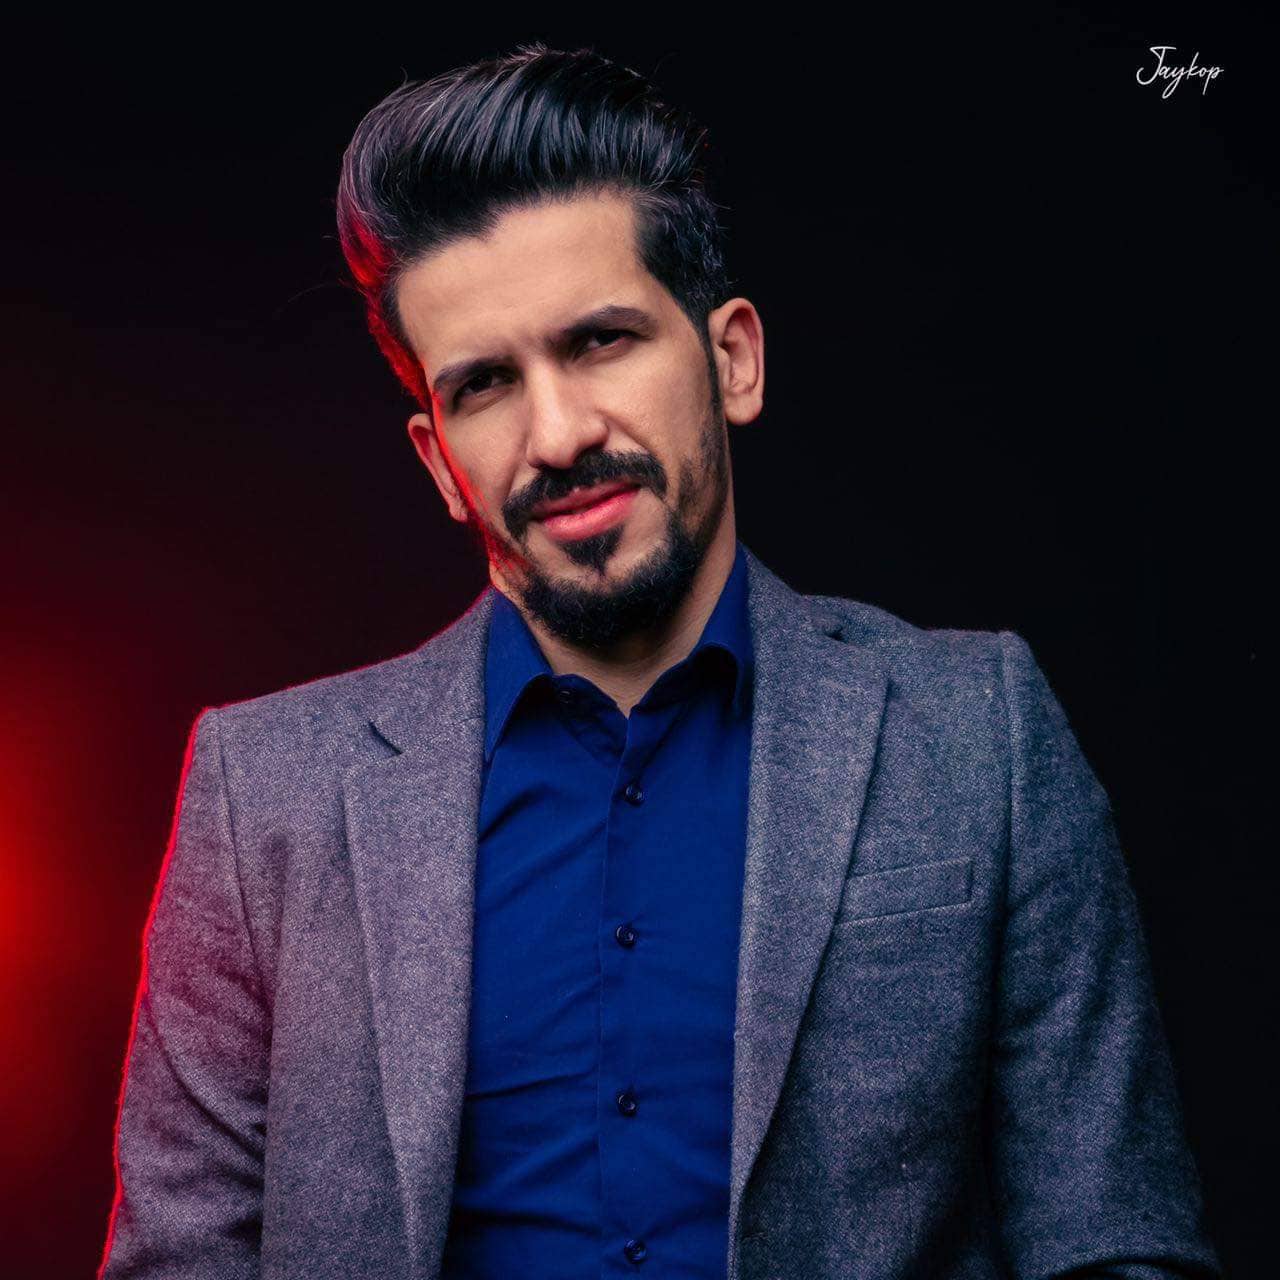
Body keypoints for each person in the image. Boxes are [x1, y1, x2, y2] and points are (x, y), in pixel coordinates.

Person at [99, 42, 1221, 1280]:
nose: (556, 432)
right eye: (485, 384)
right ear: (436, 459)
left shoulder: (976, 734)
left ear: (731, 359)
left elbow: (1117, 1245)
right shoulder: (263, 795)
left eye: (599, 340)